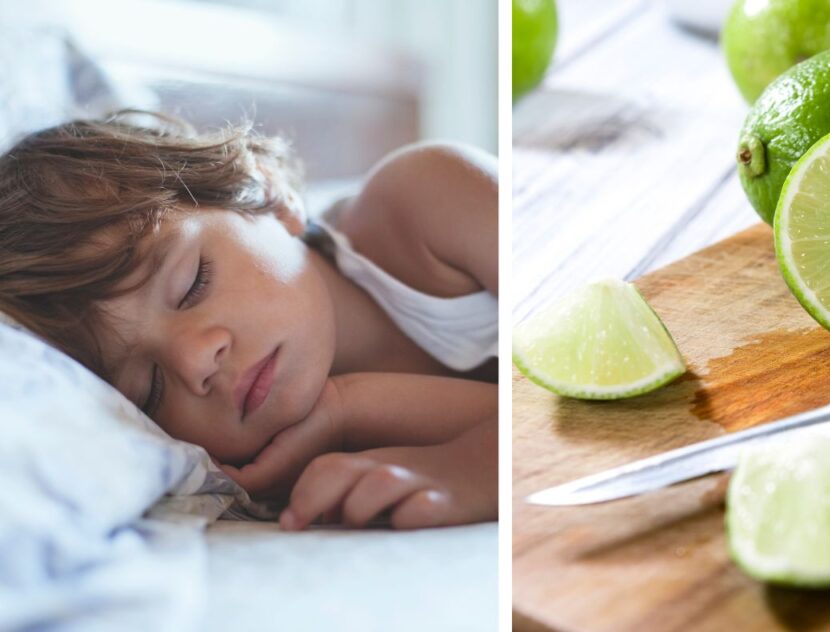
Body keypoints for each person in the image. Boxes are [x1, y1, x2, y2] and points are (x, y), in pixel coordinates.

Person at [0, 111, 497, 530]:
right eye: (149, 390)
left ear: (268, 196)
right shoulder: (296, 460)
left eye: (193, 282)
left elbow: (573, 353)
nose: (195, 361)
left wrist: (470, 466)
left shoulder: (422, 201)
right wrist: (346, 410)